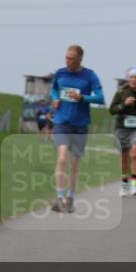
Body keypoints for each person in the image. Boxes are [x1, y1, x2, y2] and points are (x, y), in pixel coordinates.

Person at [49, 45, 105, 213]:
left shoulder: (90, 75)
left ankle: (71, 197)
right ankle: (59, 198)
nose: (68, 61)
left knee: (75, 164)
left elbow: (101, 98)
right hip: (62, 122)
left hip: (80, 125)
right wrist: (55, 99)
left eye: (71, 59)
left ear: (80, 59)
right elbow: (54, 89)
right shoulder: (60, 73)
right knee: (62, 158)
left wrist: (83, 97)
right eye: (66, 57)